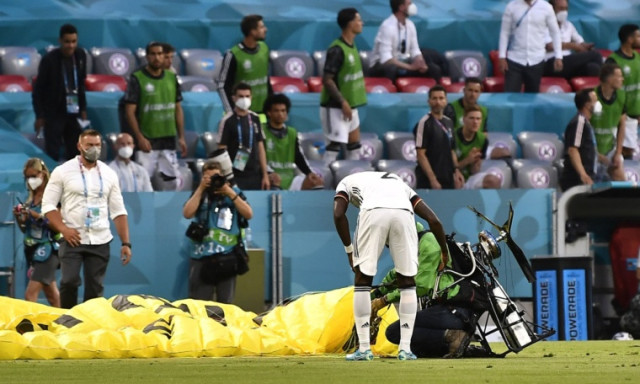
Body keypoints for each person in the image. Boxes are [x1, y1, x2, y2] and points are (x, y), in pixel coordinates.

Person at [333, 171, 450, 361]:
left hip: (372, 211)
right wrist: (444, 252)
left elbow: (338, 215)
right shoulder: (399, 183)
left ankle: (364, 348)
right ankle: (405, 349)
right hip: (404, 214)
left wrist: (349, 250)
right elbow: (434, 220)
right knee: (407, 281)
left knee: (363, 279)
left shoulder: (346, 182)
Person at [42, 129, 131, 309]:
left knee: (95, 289)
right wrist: (64, 230)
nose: (94, 149)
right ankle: (67, 319)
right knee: (69, 282)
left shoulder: (109, 174)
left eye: (97, 145)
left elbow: (118, 211)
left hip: (100, 238)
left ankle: (89, 328)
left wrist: (126, 243)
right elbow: (48, 206)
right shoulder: (62, 171)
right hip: (72, 237)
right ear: (79, 146)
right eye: (89, 145)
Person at [374, 223, 482, 358]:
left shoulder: (429, 245)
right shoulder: (416, 244)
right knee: (409, 341)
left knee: (394, 332)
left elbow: (421, 287)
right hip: (446, 309)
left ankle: (454, 336)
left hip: (455, 310)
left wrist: (384, 300)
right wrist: (378, 292)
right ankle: (451, 343)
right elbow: (398, 273)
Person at [182, 159, 253, 303]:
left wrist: (229, 192)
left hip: (227, 256)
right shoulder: (200, 194)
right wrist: (201, 188)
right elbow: (187, 213)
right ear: (203, 178)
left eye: (216, 177)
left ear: (223, 176)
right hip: (201, 257)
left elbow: (248, 214)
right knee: (200, 307)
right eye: (209, 177)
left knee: (225, 307)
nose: (214, 181)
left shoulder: (234, 192)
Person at [123, 41, 187, 190]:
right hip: (147, 142)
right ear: (147, 56)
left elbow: (177, 108)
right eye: (153, 54)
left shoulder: (171, 78)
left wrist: (181, 136)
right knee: (141, 185)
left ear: (164, 56)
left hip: (168, 140)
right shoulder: (137, 78)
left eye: (160, 54)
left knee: (173, 183)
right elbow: (129, 112)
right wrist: (139, 138)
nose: (156, 58)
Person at [32, 23, 88, 161]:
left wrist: (83, 108)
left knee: (76, 152)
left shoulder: (80, 56)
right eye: (67, 42)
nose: (71, 45)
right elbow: (38, 90)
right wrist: (40, 115)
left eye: (74, 41)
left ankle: (72, 182)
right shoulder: (49, 60)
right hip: (54, 113)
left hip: (74, 111)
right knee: (53, 152)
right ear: (60, 41)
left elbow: (81, 83)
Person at [320, 8, 367, 164]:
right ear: (349, 24)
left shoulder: (352, 47)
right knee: (333, 148)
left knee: (354, 147)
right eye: (358, 20)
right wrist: (343, 102)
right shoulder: (337, 49)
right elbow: (327, 80)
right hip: (335, 107)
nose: (362, 23)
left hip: (351, 105)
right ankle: (325, 184)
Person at [13, 158, 60, 307]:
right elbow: (24, 229)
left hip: (48, 249)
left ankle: (29, 327)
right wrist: (20, 218)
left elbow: (58, 224)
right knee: (51, 294)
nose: (30, 180)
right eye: (27, 177)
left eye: (33, 176)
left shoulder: (53, 196)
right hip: (33, 250)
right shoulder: (30, 199)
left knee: (30, 294)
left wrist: (36, 215)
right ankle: (64, 321)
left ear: (43, 174)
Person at [498, 0, 563, 92]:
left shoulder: (546, 7)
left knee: (532, 97)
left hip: (536, 59)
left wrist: (558, 56)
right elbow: (504, 32)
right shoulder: (511, 6)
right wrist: (502, 56)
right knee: (510, 95)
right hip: (515, 58)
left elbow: (555, 33)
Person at [262, 93, 323, 190]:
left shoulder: (292, 133)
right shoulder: (262, 130)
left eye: (283, 111)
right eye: (276, 111)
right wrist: (269, 173)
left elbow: (298, 156)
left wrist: (309, 173)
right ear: (269, 113)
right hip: (270, 176)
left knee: (316, 182)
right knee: (274, 181)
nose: (280, 114)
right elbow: (258, 158)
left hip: (289, 177)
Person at [217, 82, 270, 190]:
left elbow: (260, 147)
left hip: (255, 175)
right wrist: (226, 177)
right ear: (234, 98)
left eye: (247, 96)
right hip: (235, 175)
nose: (244, 99)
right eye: (241, 96)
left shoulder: (255, 118)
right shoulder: (227, 120)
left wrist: (265, 175)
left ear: (251, 97)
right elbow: (221, 149)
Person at [217, 14, 272, 114]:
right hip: (241, 113)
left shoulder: (264, 48)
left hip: (263, 112)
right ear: (252, 31)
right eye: (261, 27)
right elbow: (222, 86)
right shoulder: (233, 54)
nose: (265, 29)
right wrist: (230, 112)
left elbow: (266, 78)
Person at [414, 85, 465, 189]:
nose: (438, 102)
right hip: (428, 180)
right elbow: (421, 154)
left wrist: (457, 170)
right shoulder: (424, 123)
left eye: (441, 98)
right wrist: (432, 179)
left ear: (446, 101)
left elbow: (452, 150)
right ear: (429, 101)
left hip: (447, 177)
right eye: (434, 98)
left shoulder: (449, 122)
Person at [369, 0, 430, 82]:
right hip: (380, 66)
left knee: (432, 68)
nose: (413, 6)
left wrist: (421, 63)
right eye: (409, 4)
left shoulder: (410, 25)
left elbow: (415, 50)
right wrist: (411, 67)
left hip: (402, 62)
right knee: (391, 69)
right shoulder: (387, 26)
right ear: (401, 7)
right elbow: (386, 59)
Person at [542, 0, 602, 79]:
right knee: (595, 55)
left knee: (593, 68)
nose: (564, 12)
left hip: (568, 63)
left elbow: (580, 43)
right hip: (551, 63)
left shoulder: (568, 25)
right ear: (551, 9)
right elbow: (549, 46)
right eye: (561, 8)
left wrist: (585, 47)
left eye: (566, 9)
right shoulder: (543, 24)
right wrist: (573, 46)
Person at [606, 24, 640, 159]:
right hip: (620, 116)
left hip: (634, 115)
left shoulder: (638, 57)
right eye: (638, 36)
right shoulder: (613, 61)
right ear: (629, 39)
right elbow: (608, 90)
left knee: (629, 154)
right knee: (620, 155)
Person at [591, 63, 626, 182]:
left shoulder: (622, 96)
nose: (622, 79)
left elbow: (622, 125)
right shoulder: (591, 97)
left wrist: (618, 152)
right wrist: (596, 155)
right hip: (590, 151)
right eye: (619, 76)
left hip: (610, 150)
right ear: (610, 79)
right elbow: (583, 129)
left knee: (621, 180)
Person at [454, 106, 502, 189]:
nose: (475, 122)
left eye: (478, 119)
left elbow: (474, 170)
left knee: (493, 181)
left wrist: (474, 163)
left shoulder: (482, 139)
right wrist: (468, 160)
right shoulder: (453, 137)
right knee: (455, 181)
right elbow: (450, 167)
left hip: (470, 177)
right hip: (453, 174)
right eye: (471, 118)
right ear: (464, 120)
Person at [560, 88, 598, 191]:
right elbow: (573, 150)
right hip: (576, 180)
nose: (598, 103)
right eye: (595, 100)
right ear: (587, 104)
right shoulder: (579, 122)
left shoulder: (586, 123)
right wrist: (583, 175)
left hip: (587, 177)